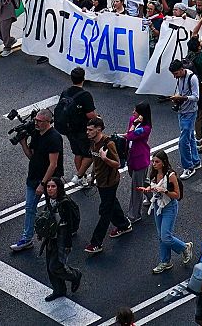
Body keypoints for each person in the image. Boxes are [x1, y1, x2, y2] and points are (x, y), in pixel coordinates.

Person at [11, 108, 63, 253]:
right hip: (33, 178)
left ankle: (62, 229)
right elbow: (31, 156)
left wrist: (43, 184)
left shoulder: (54, 137)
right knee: (29, 208)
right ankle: (27, 239)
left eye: (39, 121)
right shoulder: (35, 134)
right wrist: (23, 143)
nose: (36, 123)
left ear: (48, 122)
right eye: (36, 120)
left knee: (55, 207)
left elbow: (53, 164)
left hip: (49, 180)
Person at [84, 117, 133, 253]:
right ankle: (124, 225)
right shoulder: (93, 142)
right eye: (87, 129)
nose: (87, 132)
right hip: (100, 182)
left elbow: (117, 164)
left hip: (110, 182)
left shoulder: (108, 143)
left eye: (90, 130)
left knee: (105, 212)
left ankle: (96, 243)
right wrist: (93, 176)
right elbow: (95, 160)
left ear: (98, 130)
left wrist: (105, 158)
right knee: (112, 203)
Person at [140, 150, 192, 274]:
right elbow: (153, 186)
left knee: (166, 237)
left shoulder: (171, 175)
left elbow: (177, 195)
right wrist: (148, 189)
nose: (154, 164)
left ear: (163, 162)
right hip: (158, 206)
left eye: (157, 162)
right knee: (161, 237)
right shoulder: (153, 173)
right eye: (153, 161)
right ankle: (165, 261)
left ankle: (185, 247)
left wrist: (164, 191)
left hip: (169, 206)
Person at [35, 176, 82, 301]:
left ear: (59, 188)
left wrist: (67, 239)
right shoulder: (50, 200)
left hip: (61, 238)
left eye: (53, 186)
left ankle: (75, 275)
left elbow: (71, 223)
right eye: (48, 186)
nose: (50, 189)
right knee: (50, 267)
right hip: (51, 238)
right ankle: (59, 290)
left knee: (55, 266)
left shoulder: (65, 203)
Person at [169, 58, 202, 177]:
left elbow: (196, 97)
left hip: (190, 112)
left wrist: (182, 98)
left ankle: (188, 167)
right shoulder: (180, 77)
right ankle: (196, 161)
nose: (175, 77)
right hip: (182, 111)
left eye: (176, 74)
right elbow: (183, 92)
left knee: (183, 142)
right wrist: (178, 97)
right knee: (190, 138)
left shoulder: (192, 78)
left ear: (182, 69)